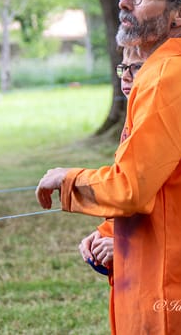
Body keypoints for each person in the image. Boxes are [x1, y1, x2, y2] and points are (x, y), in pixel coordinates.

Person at [36, 0, 181, 334]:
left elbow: (130, 188)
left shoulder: (166, 78)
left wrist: (67, 179)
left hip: (170, 290)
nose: (124, 3)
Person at [79, 45, 147, 275]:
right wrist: (106, 233)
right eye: (123, 68)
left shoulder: (155, 123)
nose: (126, 76)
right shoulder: (133, 118)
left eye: (136, 67)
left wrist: (127, 245)